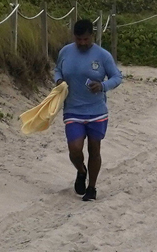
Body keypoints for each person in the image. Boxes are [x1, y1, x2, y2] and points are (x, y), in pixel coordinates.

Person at [54, 18, 122, 201]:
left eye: (85, 39)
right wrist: (58, 80)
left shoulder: (103, 55)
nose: (82, 43)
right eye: (78, 40)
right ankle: (81, 170)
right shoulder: (65, 52)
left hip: (97, 111)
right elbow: (57, 70)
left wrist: (103, 85)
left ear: (92, 36)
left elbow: (117, 77)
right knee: (74, 149)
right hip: (73, 109)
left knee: (94, 149)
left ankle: (92, 187)